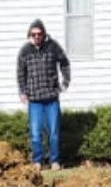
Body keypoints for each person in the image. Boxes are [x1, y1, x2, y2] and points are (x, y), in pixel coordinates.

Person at [16, 18, 71, 175]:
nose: (36, 37)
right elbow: (21, 73)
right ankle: (38, 162)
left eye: (39, 34)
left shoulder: (53, 47)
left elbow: (64, 63)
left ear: (44, 34)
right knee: (35, 132)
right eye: (33, 34)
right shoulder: (25, 51)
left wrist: (65, 82)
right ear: (30, 35)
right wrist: (22, 91)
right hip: (34, 100)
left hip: (51, 98)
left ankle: (54, 161)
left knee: (53, 132)